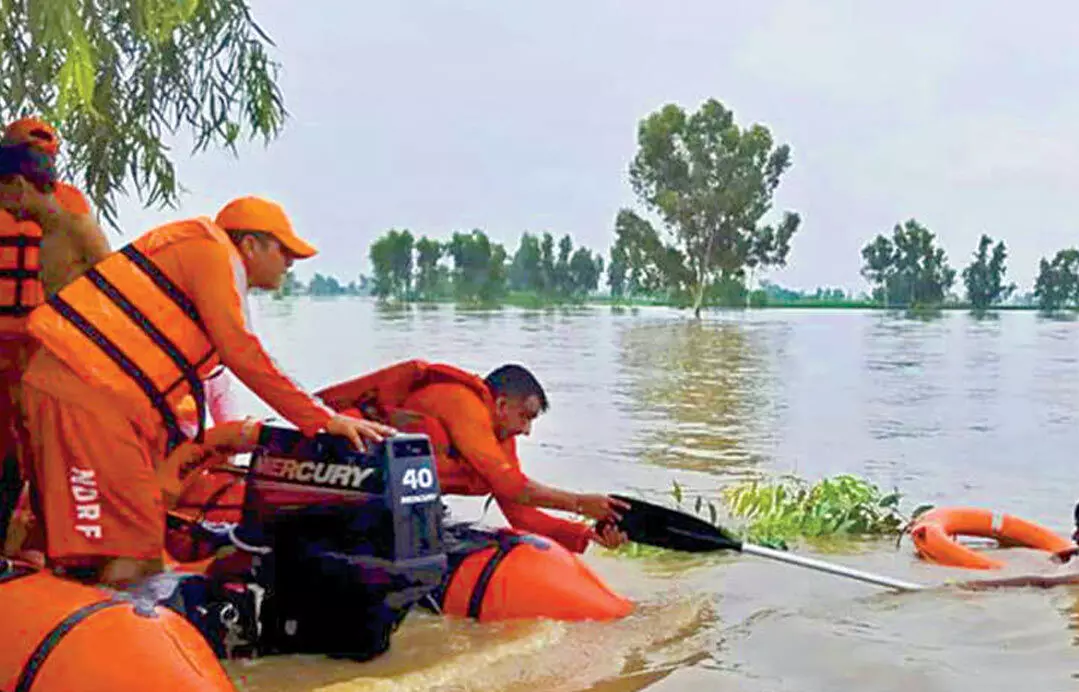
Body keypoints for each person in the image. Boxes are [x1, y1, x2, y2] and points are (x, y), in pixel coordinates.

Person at [1, 189, 397, 587]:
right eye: (285, 251)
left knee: (112, 550)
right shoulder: (210, 249)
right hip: (83, 394)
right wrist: (321, 419)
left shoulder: (206, 263)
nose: (291, 263)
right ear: (250, 244)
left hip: (91, 397)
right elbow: (243, 352)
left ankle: (79, 613)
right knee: (135, 556)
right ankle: (110, 635)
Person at [316, 360, 630, 553]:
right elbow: (509, 484)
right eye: (526, 417)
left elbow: (521, 515)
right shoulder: (463, 403)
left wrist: (587, 533)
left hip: (394, 500)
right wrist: (577, 502)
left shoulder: (499, 439)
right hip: (344, 476)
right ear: (502, 404)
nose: (527, 430)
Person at [0, 117, 111, 549]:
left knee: (43, 451)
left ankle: (48, 540)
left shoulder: (71, 211)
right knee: (15, 455)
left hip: (46, 346)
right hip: (13, 348)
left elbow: (105, 277)